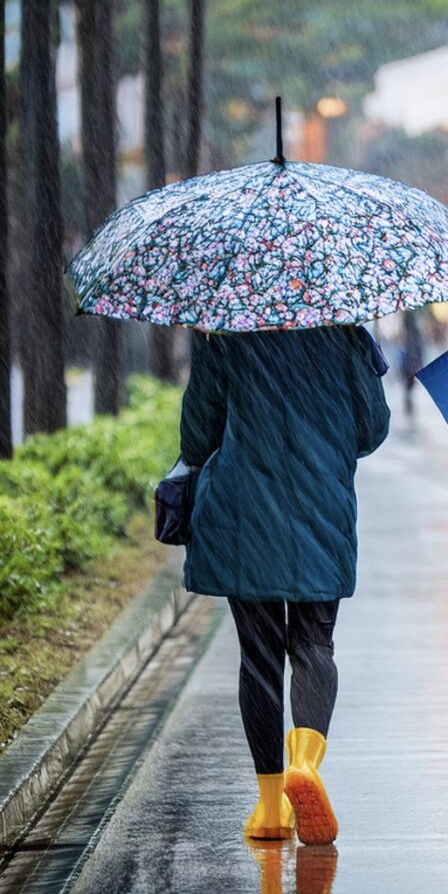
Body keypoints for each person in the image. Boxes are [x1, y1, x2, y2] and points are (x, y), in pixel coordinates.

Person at [180, 324, 390, 845]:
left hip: (242, 515)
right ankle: (306, 763)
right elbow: (371, 429)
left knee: (259, 658)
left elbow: (197, 437)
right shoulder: (346, 335)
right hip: (322, 510)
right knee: (315, 646)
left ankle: (272, 808)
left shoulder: (225, 338)